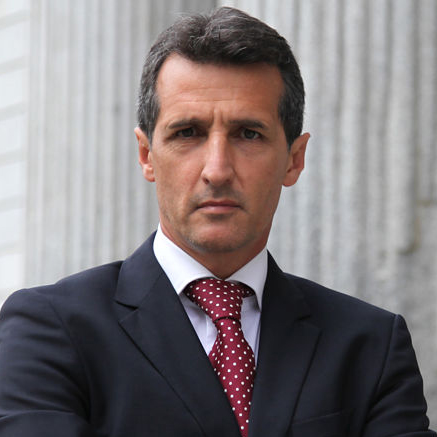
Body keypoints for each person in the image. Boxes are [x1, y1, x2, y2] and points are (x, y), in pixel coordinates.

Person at [0, 6, 434, 437]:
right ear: (147, 155)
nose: (217, 170)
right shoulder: (49, 331)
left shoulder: (369, 346)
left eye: (249, 134)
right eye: (187, 133)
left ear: (294, 159)